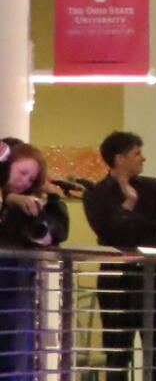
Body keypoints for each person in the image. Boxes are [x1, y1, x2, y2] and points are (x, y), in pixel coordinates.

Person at [82, 131, 156, 381]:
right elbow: (107, 232)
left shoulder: (153, 186)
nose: (143, 159)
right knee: (117, 352)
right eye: (137, 153)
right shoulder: (96, 194)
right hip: (116, 281)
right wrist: (128, 204)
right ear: (120, 158)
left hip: (154, 279)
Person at [0, 142, 69, 374]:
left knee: (17, 357)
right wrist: (9, 200)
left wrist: (54, 199)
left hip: (17, 289)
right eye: (22, 173)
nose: (24, 182)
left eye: (31, 180)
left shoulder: (29, 206)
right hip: (12, 285)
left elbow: (55, 231)